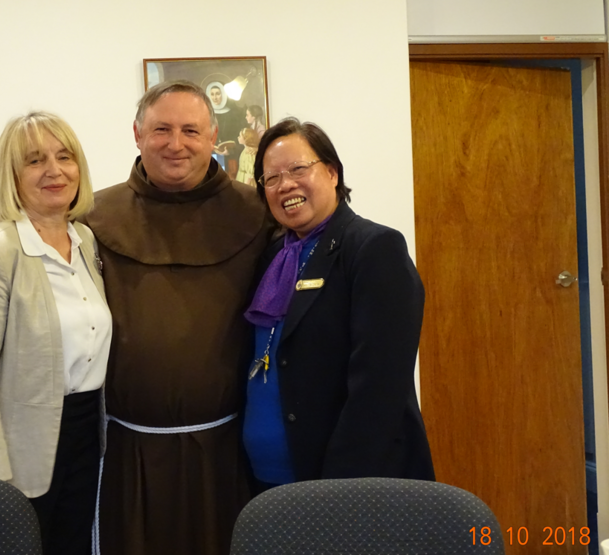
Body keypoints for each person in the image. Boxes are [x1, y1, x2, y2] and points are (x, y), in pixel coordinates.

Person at [82, 80, 274, 555]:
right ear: (136, 134)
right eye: (161, 129)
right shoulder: (93, 216)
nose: (176, 143)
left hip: (226, 451)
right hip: (128, 452)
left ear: (213, 136)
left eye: (191, 130)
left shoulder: (257, 212)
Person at [0, 111, 112, 555]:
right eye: (35, 161)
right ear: (12, 175)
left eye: (64, 156)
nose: (54, 171)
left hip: (84, 437)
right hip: (17, 450)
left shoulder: (86, 242)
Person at [243, 118, 434, 492]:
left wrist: (339, 490)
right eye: (271, 178)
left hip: (341, 484)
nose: (286, 185)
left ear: (331, 172)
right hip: (267, 481)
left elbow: (378, 389)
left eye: (298, 169)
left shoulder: (373, 249)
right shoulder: (272, 257)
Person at [206, 81, 246, 178]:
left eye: (218, 94)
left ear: (223, 95)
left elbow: (240, 136)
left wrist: (229, 150)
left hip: (230, 155)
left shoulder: (234, 114)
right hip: (210, 155)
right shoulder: (206, 114)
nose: (215, 98)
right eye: (212, 94)